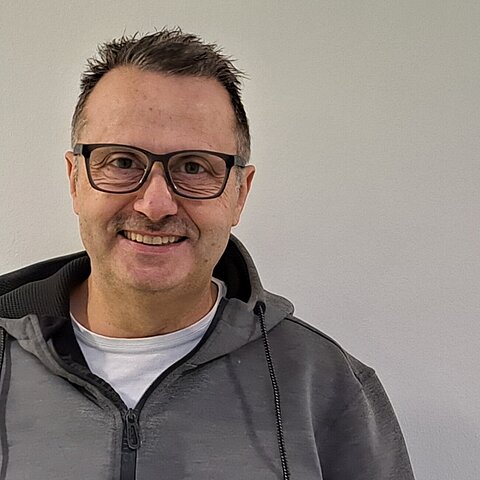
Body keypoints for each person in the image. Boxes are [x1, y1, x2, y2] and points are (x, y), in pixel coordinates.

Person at [0, 29, 415, 479]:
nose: (155, 205)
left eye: (194, 167)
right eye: (122, 162)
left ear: (240, 193)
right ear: (75, 180)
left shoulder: (328, 389)